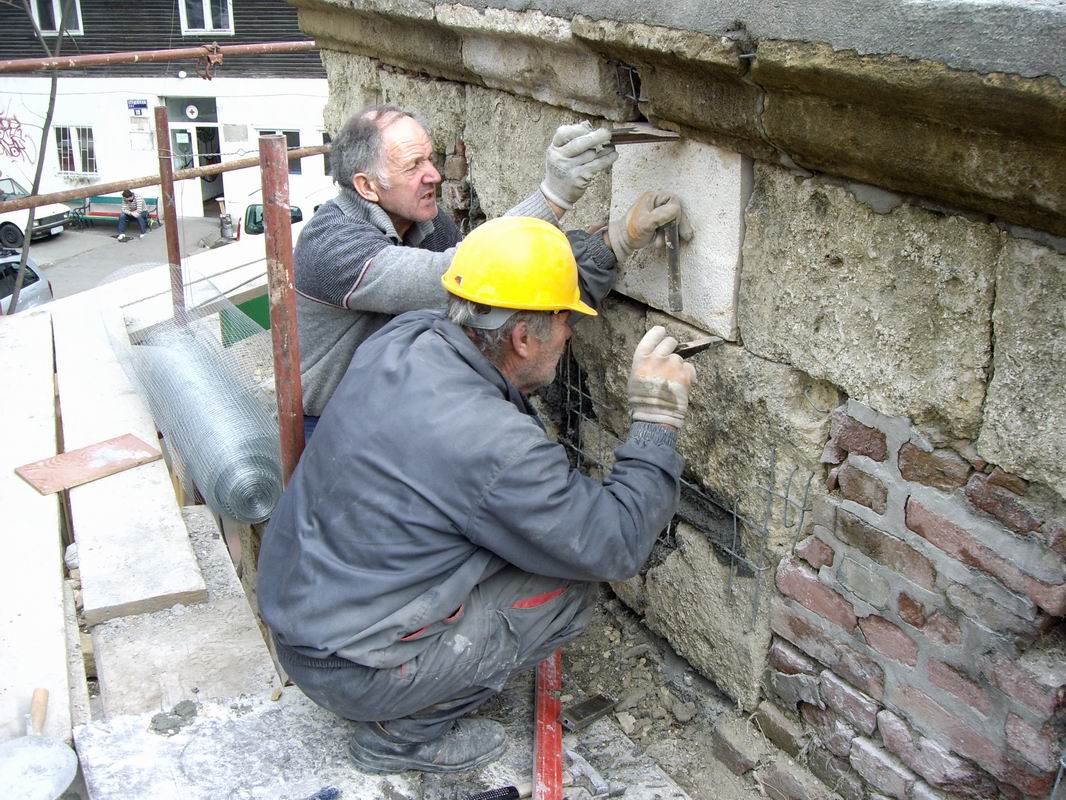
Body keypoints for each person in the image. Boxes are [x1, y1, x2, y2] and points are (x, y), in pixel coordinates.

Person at [258, 214, 696, 775]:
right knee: (568, 585)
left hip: (302, 620)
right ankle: (401, 736)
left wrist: (611, 245)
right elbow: (614, 543)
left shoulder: (408, 335)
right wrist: (657, 421)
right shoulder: (493, 444)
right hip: (352, 670)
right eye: (566, 322)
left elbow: (518, 305)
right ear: (522, 339)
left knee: (521, 541)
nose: (569, 334)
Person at [295, 105, 622, 440]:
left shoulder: (427, 223)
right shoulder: (331, 243)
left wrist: (607, 249)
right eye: (413, 166)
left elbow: (492, 298)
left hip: (399, 408)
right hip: (330, 424)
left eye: (429, 159)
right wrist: (552, 196)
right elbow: (455, 276)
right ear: (367, 186)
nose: (434, 175)